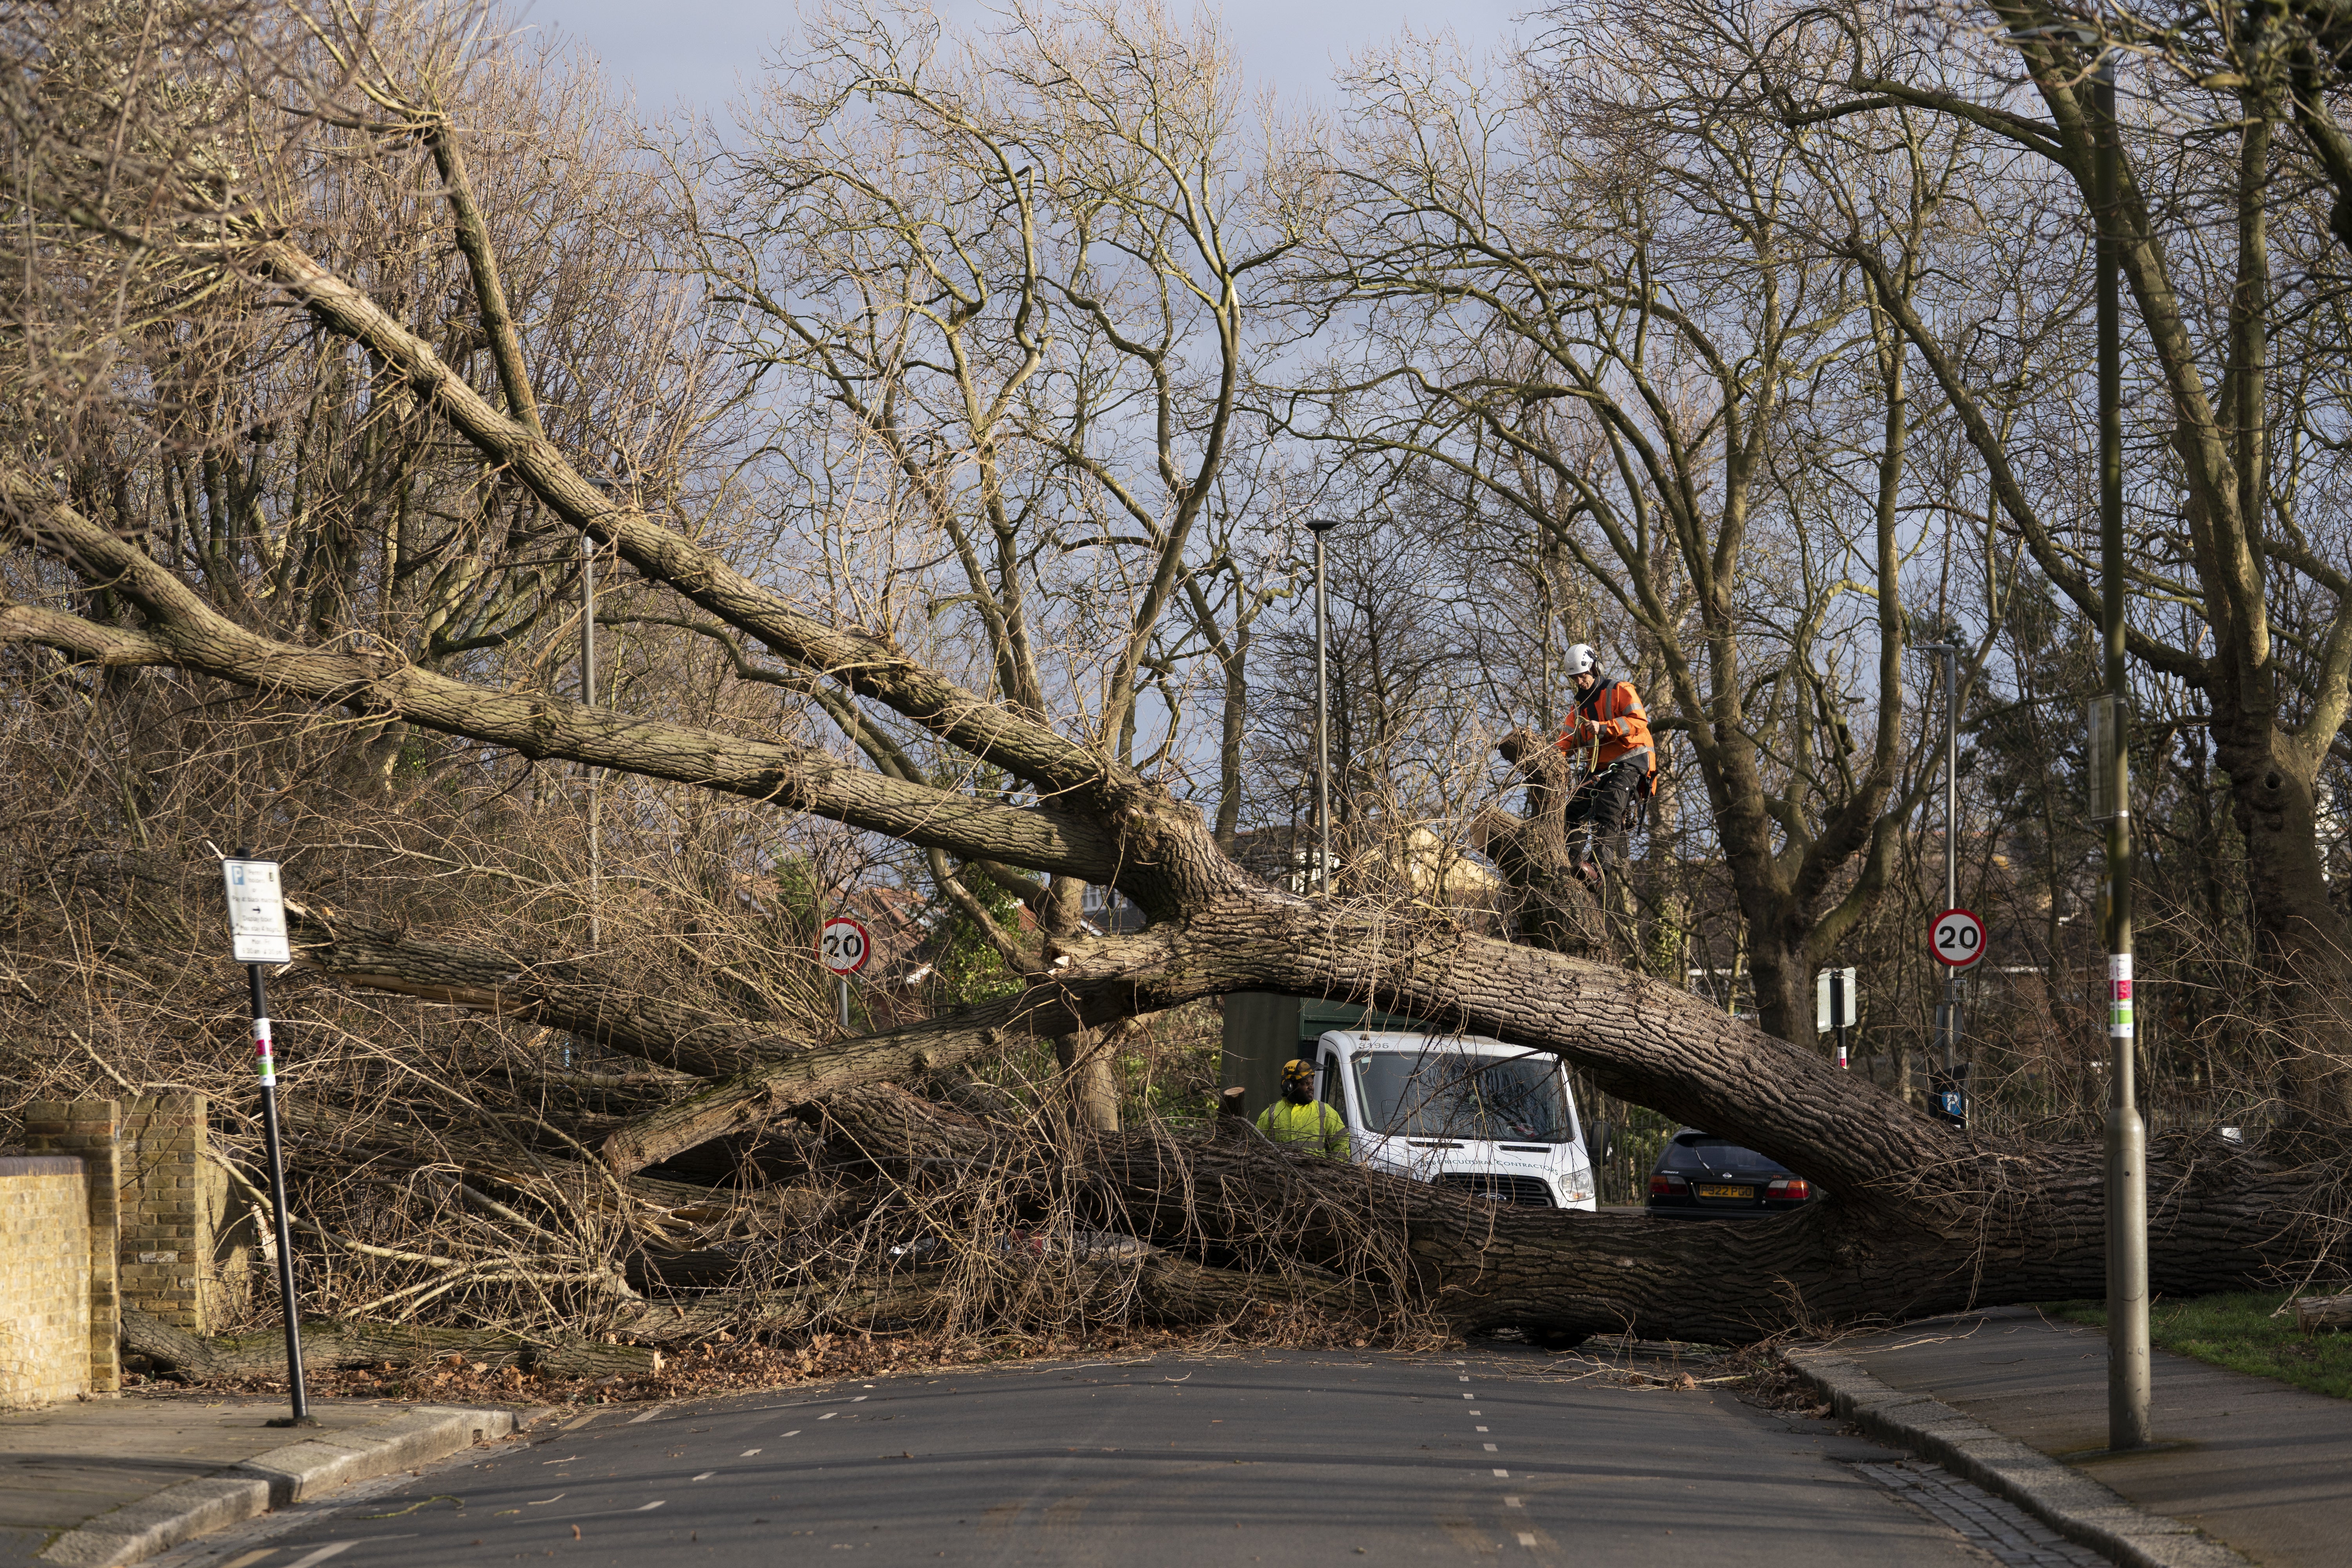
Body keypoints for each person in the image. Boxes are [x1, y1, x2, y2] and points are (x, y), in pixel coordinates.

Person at [1557, 642, 1655, 883]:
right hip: (1599, 770)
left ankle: (1597, 871)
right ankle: (1570, 864)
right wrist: (1545, 758)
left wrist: (1605, 728)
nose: (1579, 682)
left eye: (1582, 676)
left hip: (1632, 762)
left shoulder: (1620, 690)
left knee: (1609, 804)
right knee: (1572, 808)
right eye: (1575, 678)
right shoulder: (1578, 709)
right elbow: (1566, 743)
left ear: (1594, 668)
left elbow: (1638, 721)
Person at [1256, 1058, 1351, 1157]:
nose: (1311, 1087)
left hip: (1319, 1173)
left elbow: (1342, 1144)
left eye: (1312, 1083)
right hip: (1281, 1172)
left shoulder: (1325, 1112)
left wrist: (1333, 1169)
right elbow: (1256, 1146)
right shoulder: (1271, 1114)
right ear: (1289, 1086)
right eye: (1306, 1083)